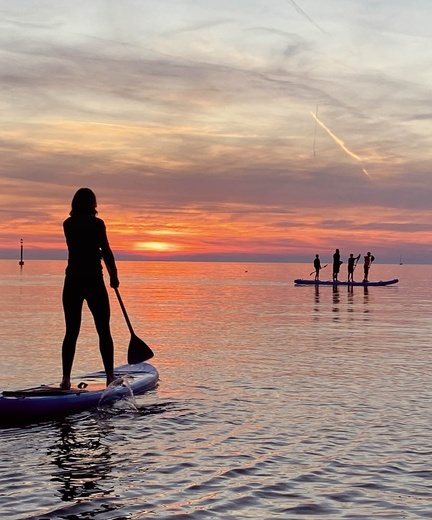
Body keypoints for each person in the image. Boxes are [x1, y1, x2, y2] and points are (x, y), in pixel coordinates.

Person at [60, 188, 120, 390]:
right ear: (93, 204)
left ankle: (66, 379)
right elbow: (106, 250)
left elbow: (83, 246)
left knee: (71, 331)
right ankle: (110, 377)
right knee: (104, 330)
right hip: (94, 281)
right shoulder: (97, 224)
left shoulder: (67, 224)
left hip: (72, 281)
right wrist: (114, 275)